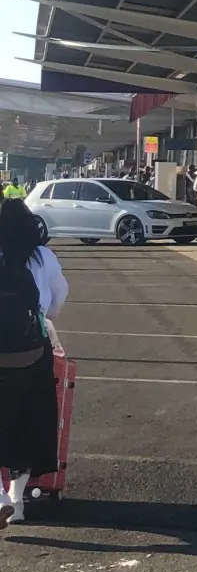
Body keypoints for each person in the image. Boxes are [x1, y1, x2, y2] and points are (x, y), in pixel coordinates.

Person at [0, 198, 68, 526]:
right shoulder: (44, 256)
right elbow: (56, 304)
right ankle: (18, 499)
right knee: (29, 426)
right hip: (31, 353)